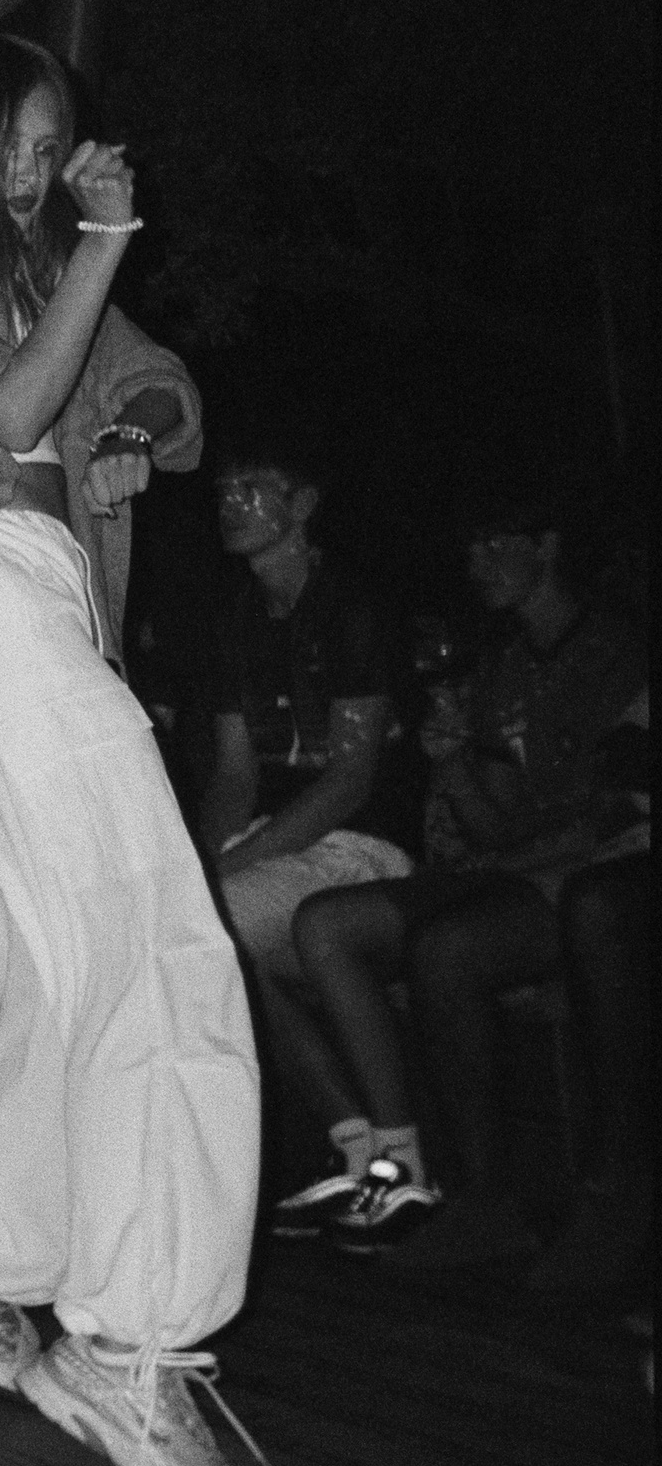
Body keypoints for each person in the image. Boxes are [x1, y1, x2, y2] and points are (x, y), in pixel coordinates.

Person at [0, 33, 256, 1466]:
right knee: (162, 953)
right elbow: (9, 411)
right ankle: (133, 1348)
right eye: (17, 135)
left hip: (19, 625)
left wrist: (132, 420)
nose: (39, 159)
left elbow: (158, 393)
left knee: (72, 979)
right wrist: (110, 237)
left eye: (55, 135)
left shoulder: (36, 258)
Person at [284, 501, 646, 1267]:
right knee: (326, 922)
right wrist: (449, 764)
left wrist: (512, 860)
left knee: (450, 946)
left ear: (547, 544)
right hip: (513, 873)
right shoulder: (501, 664)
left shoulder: (619, 651)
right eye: (469, 542)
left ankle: (503, 1199)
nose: (477, 561)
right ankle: (409, 1169)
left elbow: (612, 812)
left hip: (598, 874)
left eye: (494, 540)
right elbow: (497, 823)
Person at [189, 443, 417, 1234]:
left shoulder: (354, 604)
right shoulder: (235, 618)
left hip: (362, 845)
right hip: (276, 840)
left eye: (253, 488)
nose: (231, 503)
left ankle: (393, 1157)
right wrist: (190, 861)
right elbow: (232, 778)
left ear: (304, 503)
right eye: (224, 490)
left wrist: (230, 870)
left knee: (208, 927)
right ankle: (362, 1150)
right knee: (183, 924)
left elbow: (352, 779)